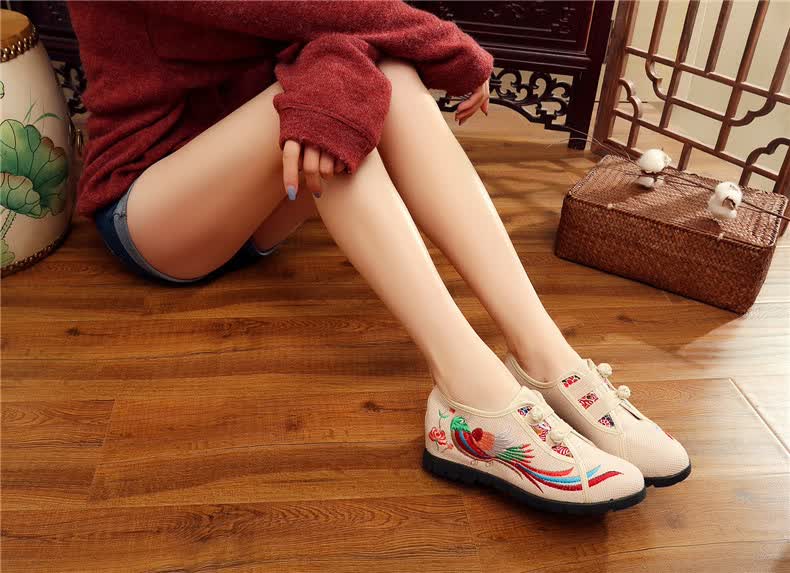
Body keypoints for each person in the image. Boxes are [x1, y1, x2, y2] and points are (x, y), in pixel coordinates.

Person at [67, 1, 689, 514]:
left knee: (370, 80)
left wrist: (332, 72)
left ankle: (546, 358)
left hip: (262, 197)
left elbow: (326, 27)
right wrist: (455, 50)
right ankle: (473, 394)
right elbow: (298, 11)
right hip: (155, 209)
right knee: (340, 97)